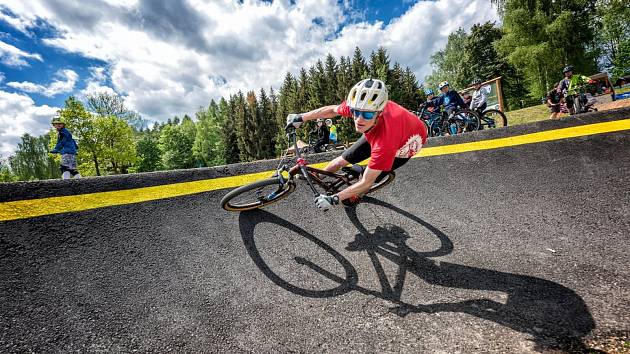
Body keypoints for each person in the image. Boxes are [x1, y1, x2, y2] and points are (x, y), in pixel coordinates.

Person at [286, 79, 428, 210]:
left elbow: (367, 182)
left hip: (406, 145)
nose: (358, 119)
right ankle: (321, 176)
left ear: (379, 113)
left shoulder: (385, 141)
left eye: (366, 115)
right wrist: (300, 117)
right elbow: (332, 110)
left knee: (364, 178)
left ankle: (357, 195)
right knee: (341, 160)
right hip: (380, 129)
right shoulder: (363, 106)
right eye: (355, 112)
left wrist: (334, 199)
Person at [50, 115, 81, 179]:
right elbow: (73, 141)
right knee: (72, 170)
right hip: (72, 153)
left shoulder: (62, 133)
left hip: (66, 153)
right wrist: (75, 148)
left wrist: (56, 149)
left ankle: (66, 182)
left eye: (59, 124)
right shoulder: (67, 132)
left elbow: (61, 142)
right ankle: (81, 181)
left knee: (64, 168)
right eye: (56, 124)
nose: (57, 126)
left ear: (63, 125)